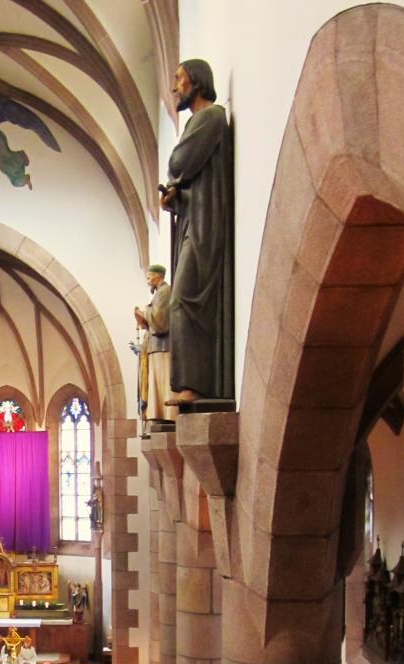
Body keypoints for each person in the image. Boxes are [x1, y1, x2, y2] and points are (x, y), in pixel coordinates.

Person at [160, 59, 234, 406]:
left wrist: (175, 181)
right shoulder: (199, 121)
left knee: (182, 300)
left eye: (179, 79)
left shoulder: (211, 117)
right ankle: (188, 384)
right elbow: (188, 176)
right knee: (183, 301)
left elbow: (179, 162)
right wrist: (176, 196)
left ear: (197, 81)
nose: (175, 87)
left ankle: (195, 383)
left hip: (205, 224)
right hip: (194, 218)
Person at [133, 264, 174, 433]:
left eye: (149, 277)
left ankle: (168, 414)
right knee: (155, 382)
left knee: (163, 381)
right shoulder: (159, 292)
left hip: (163, 345)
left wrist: (144, 312)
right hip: (155, 345)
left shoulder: (165, 291)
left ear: (158, 276)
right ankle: (157, 413)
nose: (148, 280)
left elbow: (160, 321)